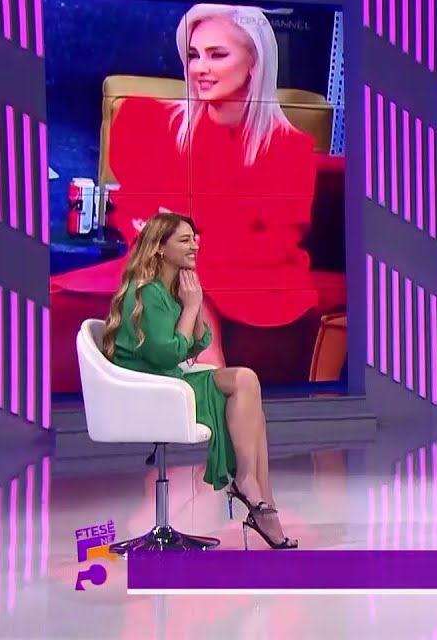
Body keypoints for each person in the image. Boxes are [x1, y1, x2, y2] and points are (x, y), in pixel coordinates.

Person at [51, 2, 320, 391]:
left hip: (256, 280)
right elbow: (136, 214)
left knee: (182, 270)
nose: (200, 68)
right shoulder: (150, 124)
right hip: (162, 263)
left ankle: (201, 388)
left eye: (217, 54)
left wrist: (187, 244)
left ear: (254, 63)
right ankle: (207, 384)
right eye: (194, 55)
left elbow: (275, 246)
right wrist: (189, 243)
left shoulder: (288, 149)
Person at [101, 212, 297, 549]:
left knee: (248, 388)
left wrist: (195, 302)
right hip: (152, 392)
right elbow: (167, 354)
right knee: (243, 384)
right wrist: (191, 307)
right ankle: (252, 491)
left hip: (169, 383)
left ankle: (261, 498)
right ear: (159, 248)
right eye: (184, 240)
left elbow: (197, 344)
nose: (194, 246)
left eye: (195, 238)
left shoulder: (168, 290)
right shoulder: (145, 293)